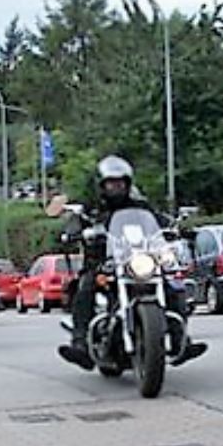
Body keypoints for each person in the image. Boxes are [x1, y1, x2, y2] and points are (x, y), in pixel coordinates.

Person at [57, 156, 206, 370]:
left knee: (171, 287)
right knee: (85, 287)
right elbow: (75, 224)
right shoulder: (92, 210)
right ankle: (80, 344)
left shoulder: (140, 207)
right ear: (103, 185)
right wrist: (74, 232)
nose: (116, 187)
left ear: (127, 184)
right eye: (111, 183)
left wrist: (176, 228)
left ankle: (180, 340)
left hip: (137, 261)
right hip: (104, 263)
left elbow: (159, 222)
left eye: (120, 183)